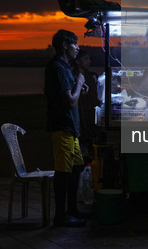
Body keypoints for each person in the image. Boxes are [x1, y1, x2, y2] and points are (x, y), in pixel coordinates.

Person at [44, 29, 89, 227]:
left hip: (71, 128)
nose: (78, 47)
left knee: (77, 167)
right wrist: (79, 82)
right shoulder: (58, 68)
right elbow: (70, 100)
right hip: (62, 126)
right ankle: (60, 216)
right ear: (64, 45)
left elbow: (71, 92)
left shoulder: (64, 67)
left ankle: (72, 210)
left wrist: (79, 86)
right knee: (63, 172)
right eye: (75, 44)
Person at [72, 49, 100, 164]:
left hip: (91, 111)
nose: (89, 61)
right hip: (80, 112)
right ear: (78, 61)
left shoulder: (92, 76)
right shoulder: (74, 76)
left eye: (89, 58)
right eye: (86, 59)